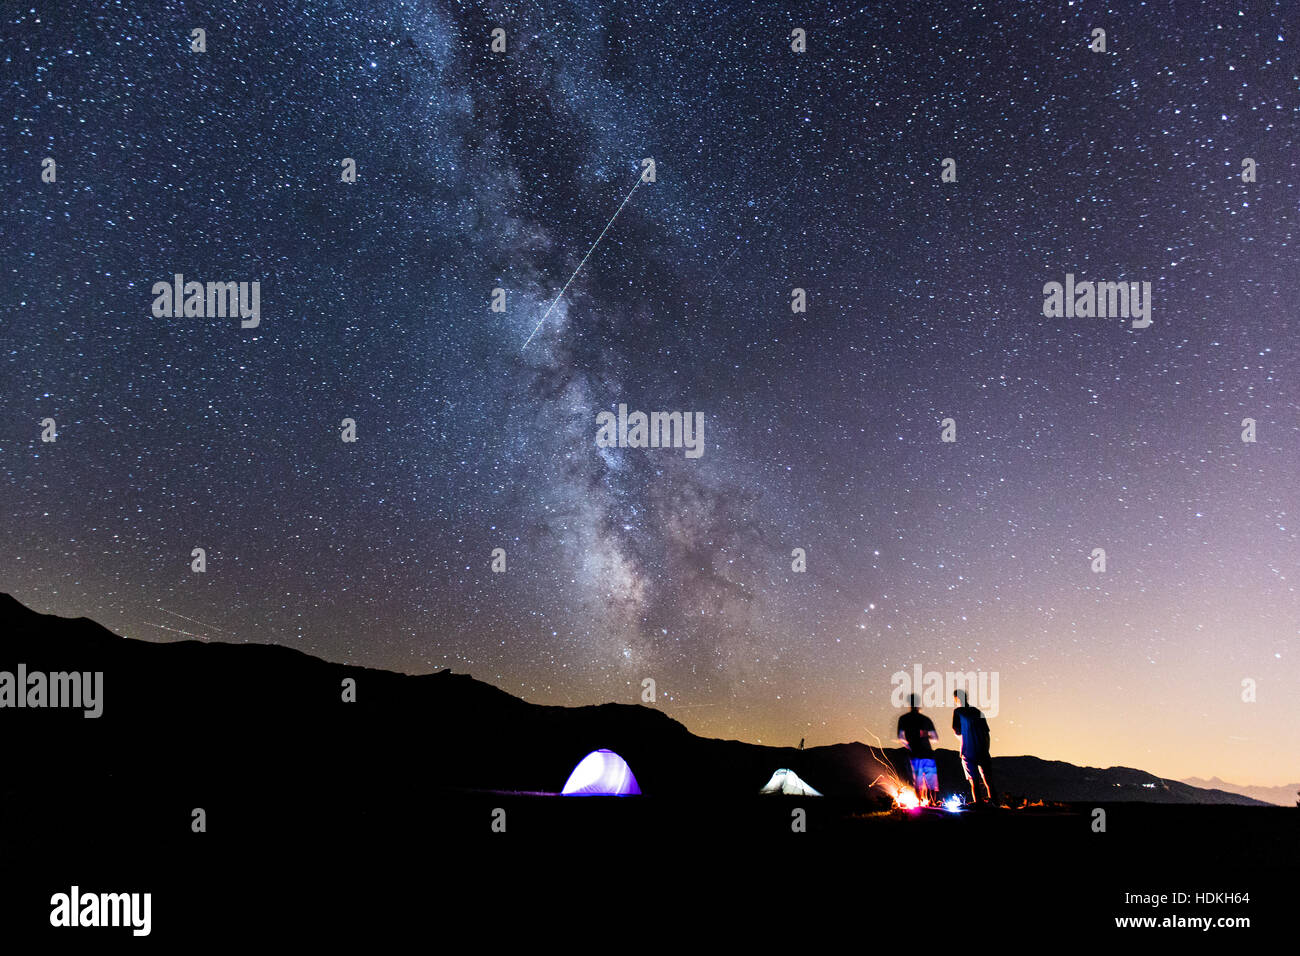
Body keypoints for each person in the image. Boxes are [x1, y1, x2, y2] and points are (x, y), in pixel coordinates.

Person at [952, 688, 995, 805]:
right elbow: (986, 731)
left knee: (974, 781)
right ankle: (995, 803)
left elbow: (956, 730)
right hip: (983, 748)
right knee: (988, 780)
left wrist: (964, 740)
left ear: (956, 699)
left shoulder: (958, 712)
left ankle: (979, 804)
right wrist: (986, 747)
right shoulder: (977, 711)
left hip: (968, 750)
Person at [896, 693, 940, 806]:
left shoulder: (904, 719)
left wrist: (909, 746)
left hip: (915, 754)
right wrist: (926, 735)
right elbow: (936, 738)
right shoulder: (925, 719)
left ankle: (920, 804)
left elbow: (901, 737)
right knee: (931, 781)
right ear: (919, 705)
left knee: (918, 781)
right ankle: (932, 803)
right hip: (928, 754)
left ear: (909, 704)